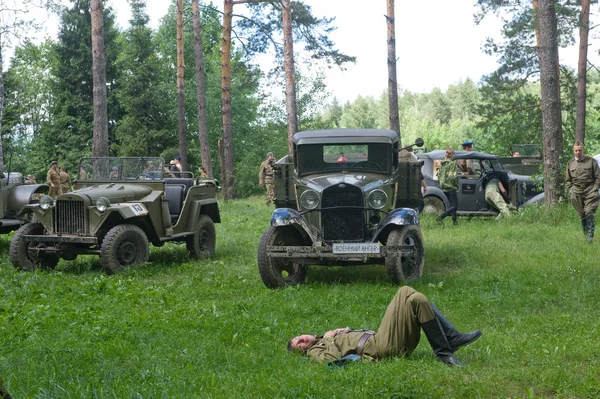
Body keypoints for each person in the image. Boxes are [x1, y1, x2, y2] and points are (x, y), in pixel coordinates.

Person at [288, 286, 482, 367]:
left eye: (299, 337)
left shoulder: (323, 338)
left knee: (418, 299)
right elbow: (331, 360)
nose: (302, 340)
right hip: (381, 346)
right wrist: (330, 337)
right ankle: (448, 345)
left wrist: (338, 333)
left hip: (392, 342)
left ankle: (446, 349)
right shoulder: (315, 351)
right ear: (302, 351)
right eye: (299, 344)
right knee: (405, 291)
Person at [566, 140, 600, 242]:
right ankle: (585, 234)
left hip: (590, 190)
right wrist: (570, 190)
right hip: (576, 191)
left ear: (583, 150)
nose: (578, 152)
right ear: (573, 150)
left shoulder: (591, 162)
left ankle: (590, 237)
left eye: (580, 150)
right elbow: (568, 180)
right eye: (576, 150)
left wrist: (595, 189)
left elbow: (598, 177)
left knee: (589, 212)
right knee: (582, 214)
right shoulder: (570, 164)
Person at [436, 148, 459, 225]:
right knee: (455, 206)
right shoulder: (452, 164)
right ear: (452, 155)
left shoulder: (442, 164)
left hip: (444, 187)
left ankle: (454, 221)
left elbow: (439, 175)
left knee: (452, 205)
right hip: (450, 186)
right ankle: (441, 217)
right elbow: (453, 177)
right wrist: (456, 185)